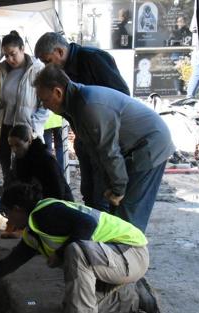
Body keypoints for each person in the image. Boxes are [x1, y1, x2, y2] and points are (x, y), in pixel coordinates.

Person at [0, 183, 166, 313]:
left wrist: (60, 253)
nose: (8, 221)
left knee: (74, 251)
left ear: (18, 209)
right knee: (74, 305)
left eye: (8, 214)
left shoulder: (45, 212)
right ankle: (137, 298)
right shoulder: (34, 231)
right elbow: (11, 262)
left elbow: (87, 225)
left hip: (130, 252)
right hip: (116, 258)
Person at [33, 64, 175, 232]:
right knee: (115, 216)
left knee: (128, 219)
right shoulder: (73, 106)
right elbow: (96, 152)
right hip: (131, 148)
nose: (44, 106)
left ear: (58, 92)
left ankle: (130, 255)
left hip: (151, 146)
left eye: (45, 100)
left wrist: (118, 188)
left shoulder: (88, 106)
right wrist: (110, 184)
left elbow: (109, 151)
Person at [34, 32, 130, 213]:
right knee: (88, 191)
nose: (47, 66)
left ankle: (103, 235)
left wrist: (98, 120)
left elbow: (121, 95)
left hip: (104, 137)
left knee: (102, 194)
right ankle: (92, 232)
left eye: (47, 61)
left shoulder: (93, 59)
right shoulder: (63, 71)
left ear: (60, 52)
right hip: (84, 135)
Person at [0, 30, 48, 180]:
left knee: (26, 170)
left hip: (25, 130)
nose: (9, 59)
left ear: (22, 49)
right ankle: (9, 194)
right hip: (5, 127)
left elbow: (45, 105)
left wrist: (32, 127)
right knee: (6, 168)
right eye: (6, 55)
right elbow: (1, 97)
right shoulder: (1, 70)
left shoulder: (38, 69)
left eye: (13, 53)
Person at [2, 125, 73, 239]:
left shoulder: (46, 160)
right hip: (37, 201)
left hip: (56, 203)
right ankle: (20, 226)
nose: (14, 150)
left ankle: (27, 228)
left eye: (18, 145)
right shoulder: (19, 160)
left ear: (29, 141)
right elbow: (14, 185)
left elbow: (58, 192)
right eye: (11, 146)